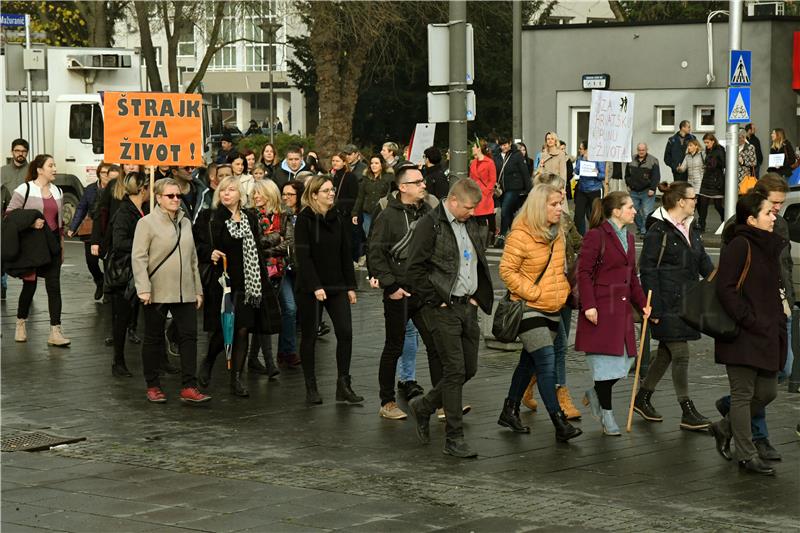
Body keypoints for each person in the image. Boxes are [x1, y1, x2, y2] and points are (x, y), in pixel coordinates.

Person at [406, 179, 493, 458]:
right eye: (468, 207)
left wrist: (477, 297)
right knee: (454, 371)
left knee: (469, 369)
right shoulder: (429, 225)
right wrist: (437, 300)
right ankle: (454, 437)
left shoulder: (470, 223)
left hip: (467, 307)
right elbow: (414, 269)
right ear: (452, 201)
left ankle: (424, 405)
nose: (472, 212)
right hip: (442, 308)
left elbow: (474, 260)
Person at [497, 182, 583, 442]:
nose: (560, 209)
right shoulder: (520, 234)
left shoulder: (557, 232)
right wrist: (533, 293)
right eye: (554, 205)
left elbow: (560, 268)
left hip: (553, 308)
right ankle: (559, 423)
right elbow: (506, 271)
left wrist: (563, 292)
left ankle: (509, 409)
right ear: (538, 206)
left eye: (560, 203)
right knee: (546, 362)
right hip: (528, 308)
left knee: (529, 362)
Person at [715, 173, 792, 462]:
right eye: (769, 211)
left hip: (769, 330)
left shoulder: (771, 242)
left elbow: (779, 281)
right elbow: (726, 288)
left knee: (768, 390)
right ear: (752, 218)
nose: (775, 216)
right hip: (742, 333)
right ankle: (748, 454)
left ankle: (725, 426)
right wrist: (749, 319)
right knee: (743, 394)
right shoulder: (740, 244)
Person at [635, 181, 714, 430]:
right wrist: (654, 307)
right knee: (680, 353)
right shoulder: (658, 231)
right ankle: (686, 409)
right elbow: (647, 270)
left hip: (687, 302)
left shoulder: (692, 228)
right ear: (680, 201)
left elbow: (702, 261)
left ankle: (642, 397)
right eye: (692, 198)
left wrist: (722, 282)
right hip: (666, 302)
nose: (695, 202)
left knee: (667, 354)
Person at [197, 176, 281, 397]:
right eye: (223, 190)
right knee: (224, 329)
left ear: (240, 195)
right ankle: (208, 361)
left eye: (231, 190)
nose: (226, 193)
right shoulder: (210, 218)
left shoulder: (249, 217)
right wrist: (209, 253)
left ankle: (236, 379)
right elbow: (197, 244)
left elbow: (257, 246)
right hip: (222, 282)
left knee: (242, 329)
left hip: (247, 281)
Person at [368, 163, 441, 420]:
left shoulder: (429, 211)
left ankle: (441, 402)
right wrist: (391, 286)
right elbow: (375, 254)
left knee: (435, 344)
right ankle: (387, 402)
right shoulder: (387, 216)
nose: (424, 185)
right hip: (398, 292)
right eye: (418, 182)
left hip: (423, 291)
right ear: (403, 187)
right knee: (394, 346)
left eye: (423, 181)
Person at [575, 192, 651, 436]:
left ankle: (595, 394)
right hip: (600, 308)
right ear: (616, 211)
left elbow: (633, 278)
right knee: (605, 366)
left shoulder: (629, 237)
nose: (634, 211)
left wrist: (643, 304)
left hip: (621, 310)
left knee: (626, 361)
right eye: (629, 207)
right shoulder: (596, 235)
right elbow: (583, 272)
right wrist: (589, 305)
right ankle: (607, 414)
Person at [132, 178, 210, 404]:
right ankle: (153, 385)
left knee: (189, 337)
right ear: (158, 198)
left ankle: (189, 386)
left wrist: (197, 289)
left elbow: (193, 258)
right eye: (170, 196)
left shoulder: (185, 222)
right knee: (153, 338)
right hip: (156, 290)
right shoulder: (146, 223)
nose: (176, 199)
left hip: (185, 290)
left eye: (178, 196)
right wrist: (143, 288)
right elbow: (138, 258)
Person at [294, 175, 363, 405]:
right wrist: (315, 286)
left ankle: (343, 384)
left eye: (332, 190)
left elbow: (346, 254)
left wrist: (351, 286)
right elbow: (303, 256)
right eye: (326, 191)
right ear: (314, 195)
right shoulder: (304, 220)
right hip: (311, 287)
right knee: (310, 336)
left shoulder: (338, 218)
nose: (331, 193)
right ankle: (310, 385)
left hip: (337, 285)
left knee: (345, 333)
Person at [522, 173, 583, 420]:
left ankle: (524, 387)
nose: (561, 201)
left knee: (548, 347)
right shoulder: (528, 223)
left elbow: (579, 244)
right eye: (556, 196)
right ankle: (560, 393)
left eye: (562, 196)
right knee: (558, 345)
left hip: (564, 291)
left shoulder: (565, 220)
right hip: (540, 295)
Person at [6, 154, 70, 347]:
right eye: (51, 165)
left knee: (54, 288)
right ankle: (20, 324)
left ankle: (55, 332)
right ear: (40, 169)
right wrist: (31, 221)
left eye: (55, 165)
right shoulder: (25, 189)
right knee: (29, 287)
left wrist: (62, 246)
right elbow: (9, 215)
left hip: (52, 246)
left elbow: (59, 223)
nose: (55, 169)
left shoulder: (58, 191)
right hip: (33, 248)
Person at [106, 172, 149, 377]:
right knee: (121, 318)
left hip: (139, 270)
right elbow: (119, 243)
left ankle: (160, 359)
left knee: (149, 316)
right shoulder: (125, 212)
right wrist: (144, 246)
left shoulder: (143, 210)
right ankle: (118, 361)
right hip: (124, 273)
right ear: (142, 189)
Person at [246, 178, 285, 379]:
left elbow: (288, 245)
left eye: (259, 193)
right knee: (265, 314)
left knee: (265, 315)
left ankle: (254, 358)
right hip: (259, 271)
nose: (255, 196)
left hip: (278, 271)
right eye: (254, 193)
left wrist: (275, 244)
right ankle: (269, 362)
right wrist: (276, 239)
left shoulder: (281, 216)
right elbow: (257, 243)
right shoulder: (251, 216)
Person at [67, 162, 116, 301]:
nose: (106, 176)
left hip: (108, 230)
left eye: (108, 173)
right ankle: (99, 280)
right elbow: (82, 208)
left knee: (108, 261)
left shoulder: (116, 189)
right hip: (92, 230)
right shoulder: (90, 189)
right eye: (103, 173)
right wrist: (73, 227)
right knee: (91, 261)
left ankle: (108, 291)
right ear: (99, 174)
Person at [277, 180, 304, 368]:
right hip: (281, 267)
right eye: (284, 194)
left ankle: (284, 350)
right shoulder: (279, 215)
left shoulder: (305, 215)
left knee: (295, 311)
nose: (286, 198)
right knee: (289, 307)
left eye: (290, 194)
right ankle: (289, 351)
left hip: (300, 268)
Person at [2, 138, 30, 300]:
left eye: (23, 151)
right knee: (4, 252)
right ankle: (2, 285)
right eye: (17, 151)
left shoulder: (32, 171)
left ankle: (28, 286)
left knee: (27, 252)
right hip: (7, 218)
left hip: (26, 217)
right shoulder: (3, 171)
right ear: (12, 151)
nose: (20, 154)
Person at [494, 136, 532, 246]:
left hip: (514, 187)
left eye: (505, 144)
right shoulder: (496, 155)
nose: (503, 147)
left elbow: (524, 172)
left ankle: (501, 236)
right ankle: (515, 236)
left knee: (505, 210)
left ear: (510, 143)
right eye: (501, 145)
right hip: (502, 189)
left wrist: (529, 190)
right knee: (508, 213)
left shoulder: (517, 155)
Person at [330, 152, 361, 265]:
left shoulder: (350, 176)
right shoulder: (333, 175)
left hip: (345, 213)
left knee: (347, 237)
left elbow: (354, 195)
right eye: (333, 160)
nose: (334, 163)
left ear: (344, 162)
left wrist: (346, 210)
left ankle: (349, 259)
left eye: (337, 161)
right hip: (335, 211)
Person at [352, 155, 392, 239]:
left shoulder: (389, 178)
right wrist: (354, 213)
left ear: (382, 165)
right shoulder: (366, 177)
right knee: (368, 237)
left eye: (376, 163)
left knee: (380, 237)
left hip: (382, 213)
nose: (373, 165)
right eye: (372, 163)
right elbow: (360, 196)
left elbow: (391, 196)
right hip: (367, 214)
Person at [625, 143, 661, 236]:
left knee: (647, 212)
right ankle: (641, 227)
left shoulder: (653, 160)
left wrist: (653, 188)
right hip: (633, 191)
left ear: (646, 149)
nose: (641, 152)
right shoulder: (631, 160)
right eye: (639, 150)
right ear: (637, 150)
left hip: (647, 191)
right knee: (633, 211)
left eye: (643, 150)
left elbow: (656, 177)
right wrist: (628, 184)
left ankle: (645, 231)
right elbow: (627, 174)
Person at [573, 140, 606, 235]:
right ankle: (581, 237)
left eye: (581, 149)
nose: (579, 150)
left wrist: (597, 173)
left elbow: (603, 175)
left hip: (594, 189)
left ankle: (597, 235)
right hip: (582, 189)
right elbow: (578, 171)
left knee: (594, 215)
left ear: (587, 149)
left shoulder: (598, 159)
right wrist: (579, 166)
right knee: (578, 215)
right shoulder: (580, 158)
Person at [469, 139, 497, 246]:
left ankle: (482, 244)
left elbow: (492, 180)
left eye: (474, 147)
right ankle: (477, 244)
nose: (472, 148)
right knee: (474, 219)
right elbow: (471, 178)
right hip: (474, 195)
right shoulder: (473, 163)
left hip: (485, 196)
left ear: (479, 149)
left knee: (481, 219)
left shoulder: (489, 162)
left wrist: (485, 192)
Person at [697, 133, 726, 233]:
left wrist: (713, 163)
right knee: (703, 204)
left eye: (707, 142)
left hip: (716, 180)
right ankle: (701, 225)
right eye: (705, 143)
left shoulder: (719, 150)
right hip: (707, 179)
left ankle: (725, 220)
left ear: (713, 141)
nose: (706, 145)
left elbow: (723, 164)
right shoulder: (708, 150)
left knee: (718, 205)